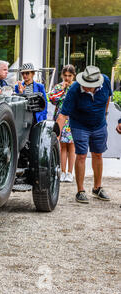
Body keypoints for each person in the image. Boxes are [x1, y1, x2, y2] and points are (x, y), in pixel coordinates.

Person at [56, 65, 112, 204]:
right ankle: (80, 191)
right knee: (81, 155)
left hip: (99, 124)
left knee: (98, 154)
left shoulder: (105, 81)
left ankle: (97, 188)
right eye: (85, 84)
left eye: (90, 85)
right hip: (79, 125)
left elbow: (108, 98)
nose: (87, 87)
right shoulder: (74, 89)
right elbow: (63, 115)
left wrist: (104, 116)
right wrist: (56, 136)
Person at [48, 64, 77, 182]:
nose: (67, 78)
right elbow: (52, 99)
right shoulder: (58, 87)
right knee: (62, 145)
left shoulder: (76, 87)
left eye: (70, 76)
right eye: (65, 75)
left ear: (74, 76)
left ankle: (70, 172)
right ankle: (63, 171)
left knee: (72, 145)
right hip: (60, 118)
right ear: (62, 75)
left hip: (73, 118)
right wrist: (62, 89)